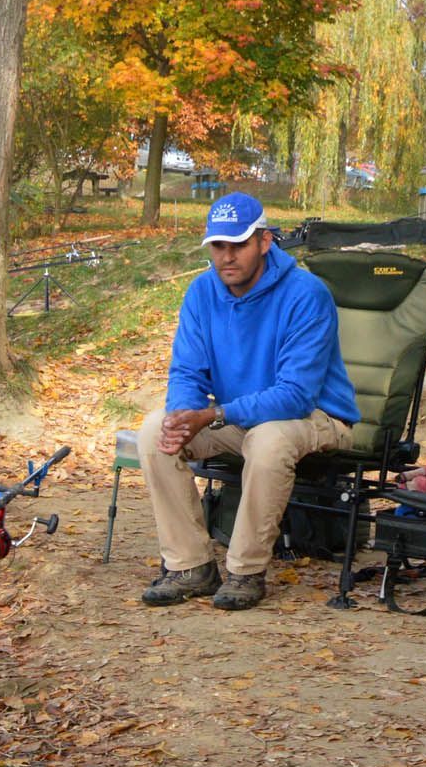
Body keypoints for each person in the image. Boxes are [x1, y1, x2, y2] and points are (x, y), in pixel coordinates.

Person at [134, 192, 359, 611]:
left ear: (265, 241)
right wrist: (184, 414)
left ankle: (245, 571)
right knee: (153, 431)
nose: (227, 256)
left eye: (238, 244)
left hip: (317, 418)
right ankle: (191, 566)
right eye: (218, 246)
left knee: (269, 441)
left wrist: (215, 413)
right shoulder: (201, 293)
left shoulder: (307, 294)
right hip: (239, 417)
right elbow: (186, 372)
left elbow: (295, 395)